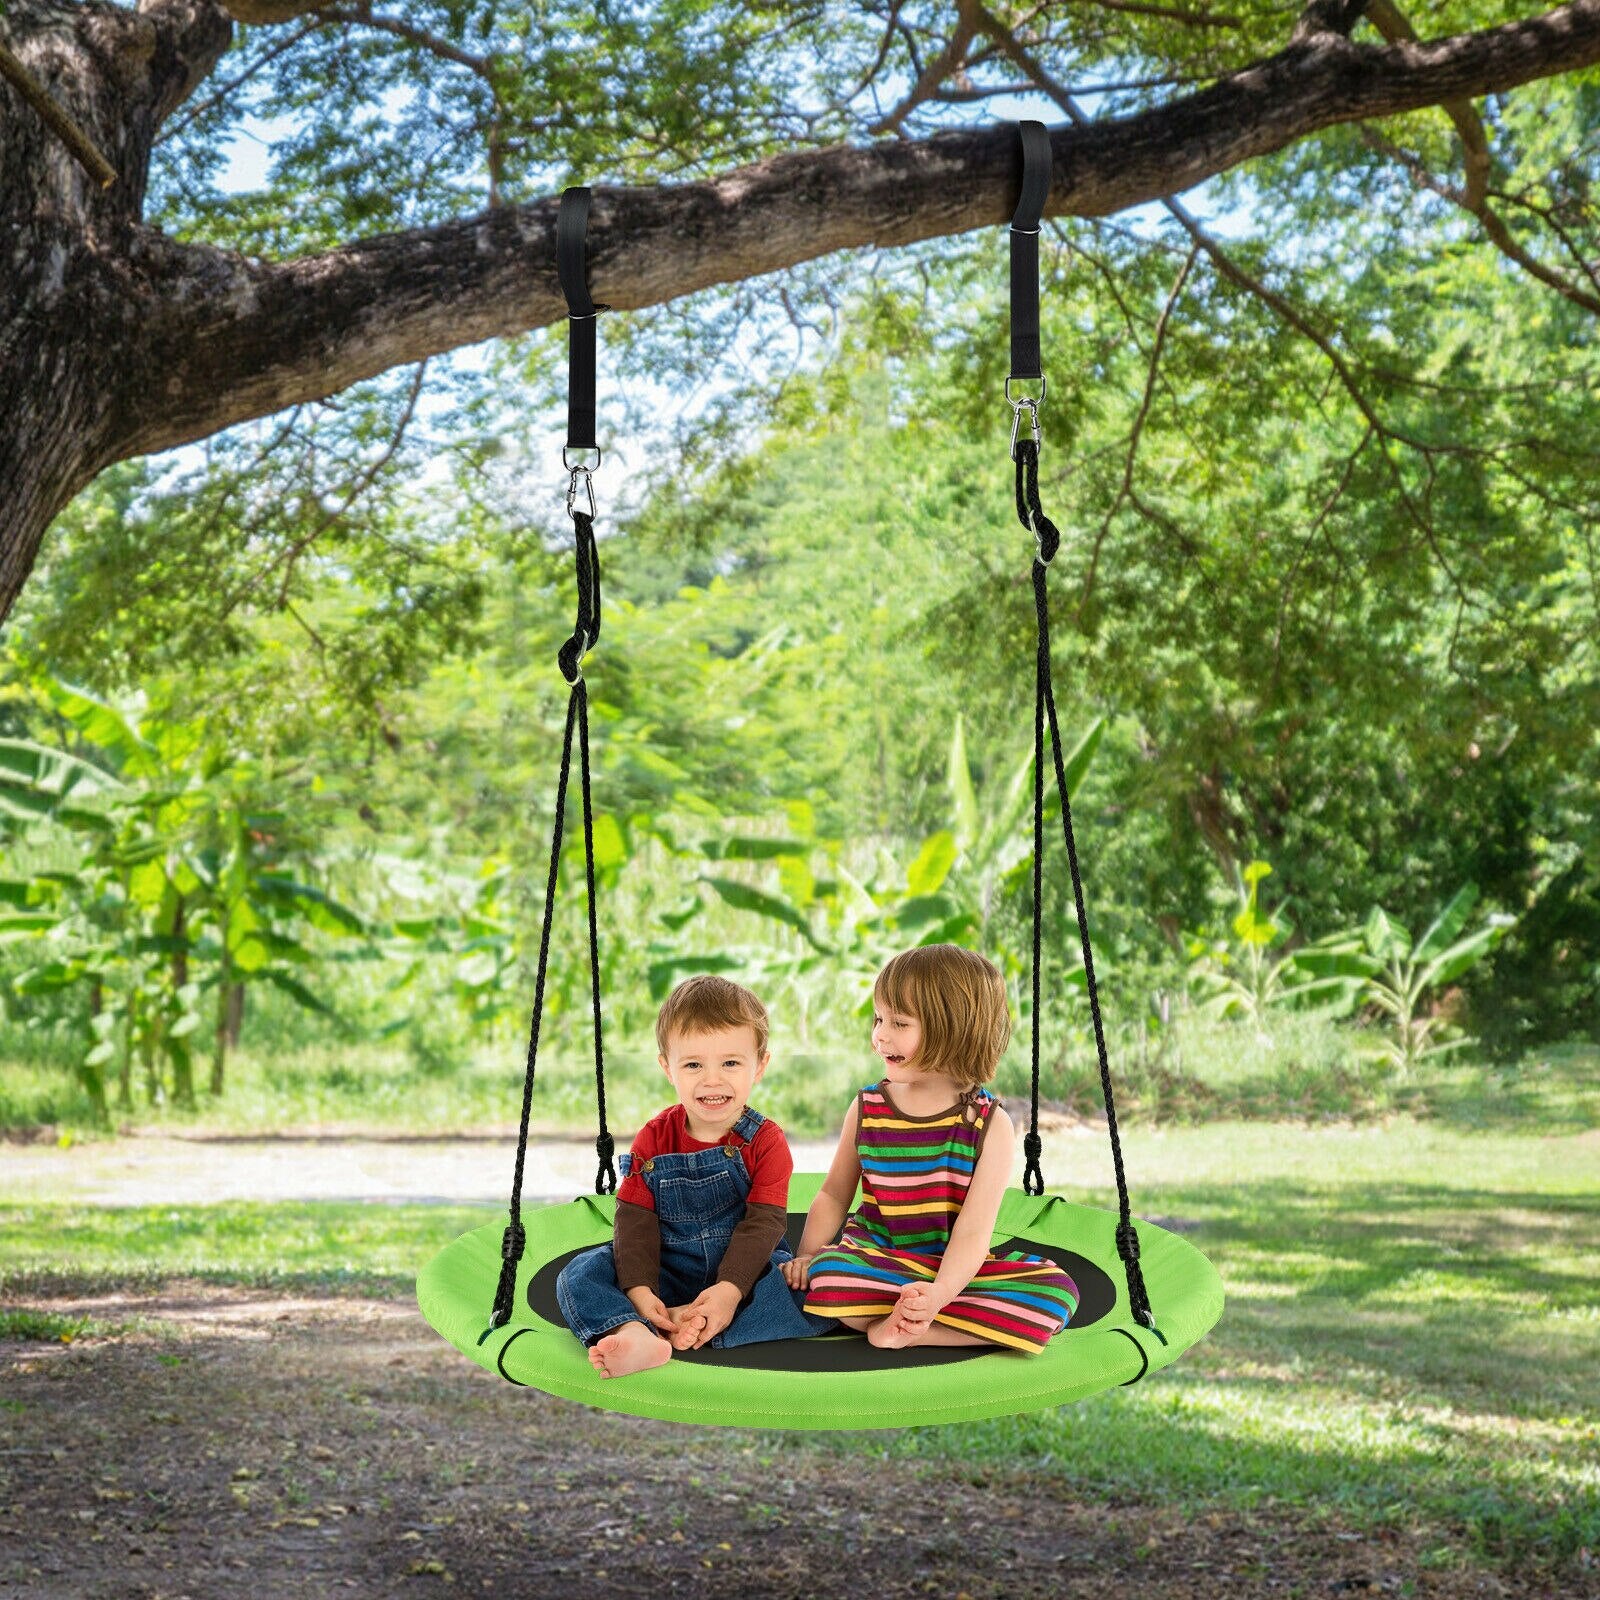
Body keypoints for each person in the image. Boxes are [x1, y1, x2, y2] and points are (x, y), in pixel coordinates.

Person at [782, 944, 1079, 1354]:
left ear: (955, 1030)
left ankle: (917, 1328)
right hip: (877, 1260)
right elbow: (834, 1194)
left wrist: (938, 1293)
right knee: (830, 1276)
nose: (880, 1035)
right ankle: (927, 1321)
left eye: (899, 1023)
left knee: (1057, 1290)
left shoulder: (989, 1126)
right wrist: (807, 1255)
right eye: (879, 1019)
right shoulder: (867, 1108)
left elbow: (974, 1234)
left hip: (952, 1268)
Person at [556, 973, 827, 1377]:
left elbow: (764, 1224)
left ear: (760, 1066)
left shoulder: (766, 1140)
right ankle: (637, 1329)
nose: (712, 1079)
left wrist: (729, 1291)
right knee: (581, 1272)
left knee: (819, 1287)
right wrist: (639, 1290)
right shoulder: (653, 1137)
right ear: (668, 1068)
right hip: (667, 1266)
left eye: (731, 1063)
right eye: (694, 1064)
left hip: (748, 1272)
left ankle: (696, 1321)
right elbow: (635, 1222)